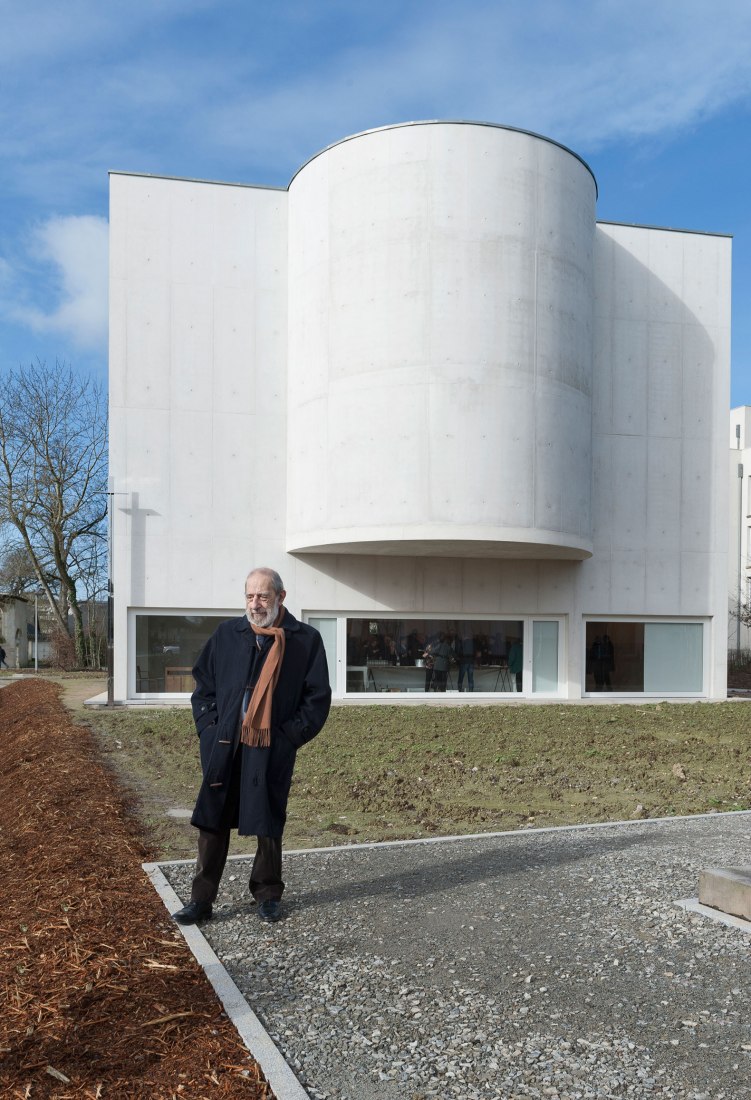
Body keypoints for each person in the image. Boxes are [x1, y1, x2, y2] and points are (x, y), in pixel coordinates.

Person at [172, 567, 331, 926]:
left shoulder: (304, 640)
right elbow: (203, 686)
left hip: (271, 745)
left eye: (263, 596)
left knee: (268, 820)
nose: (255, 604)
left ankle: (268, 894)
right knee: (212, 820)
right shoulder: (228, 634)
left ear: (280, 597)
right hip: (224, 744)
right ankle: (201, 900)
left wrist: (289, 738)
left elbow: (317, 698)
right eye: (249, 596)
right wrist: (208, 728)